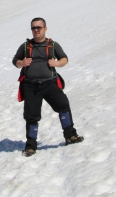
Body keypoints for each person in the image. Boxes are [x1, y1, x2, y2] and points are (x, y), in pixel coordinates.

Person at [12, 17, 83, 157]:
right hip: (30, 85)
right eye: (33, 28)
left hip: (49, 83)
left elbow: (64, 59)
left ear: (45, 28)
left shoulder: (53, 45)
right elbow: (15, 61)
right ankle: (31, 145)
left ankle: (70, 135)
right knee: (31, 116)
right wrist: (22, 62)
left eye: (39, 27)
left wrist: (56, 64)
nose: (36, 30)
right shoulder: (25, 46)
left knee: (63, 105)